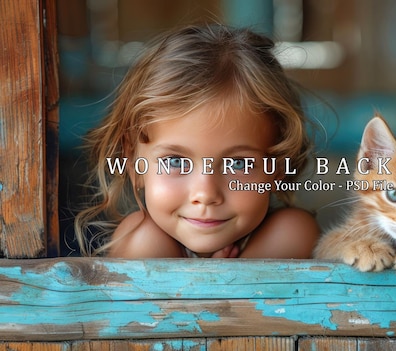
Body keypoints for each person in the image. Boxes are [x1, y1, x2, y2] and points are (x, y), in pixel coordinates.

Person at [75, 23, 320, 258]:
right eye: (175, 161)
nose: (205, 194)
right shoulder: (142, 240)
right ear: (133, 163)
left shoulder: (290, 234)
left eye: (238, 164)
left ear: (276, 167)